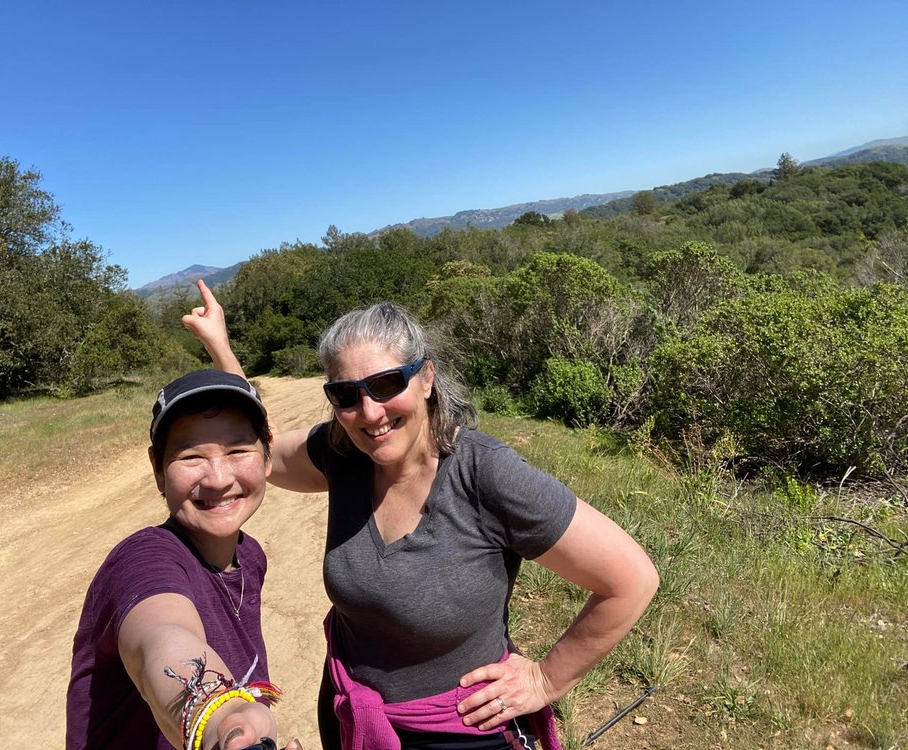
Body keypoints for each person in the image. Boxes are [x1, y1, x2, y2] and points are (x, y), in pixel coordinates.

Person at [184, 281, 660, 750]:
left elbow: (631, 579)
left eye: (387, 384)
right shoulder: (342, 452)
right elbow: (263, 451)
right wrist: (222, 351)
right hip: (353, 714)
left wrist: (544, 680)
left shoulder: (484, 474)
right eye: (346, 395)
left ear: (427, 378)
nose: (369, 412)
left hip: (460, 732)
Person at [66, 369, 301, 750]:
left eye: (238, 450)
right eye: (191, 456)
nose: (218, 478)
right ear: (158, 470)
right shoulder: (142, 560)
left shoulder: (249, 555)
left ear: (267, 455)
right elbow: (161, 636)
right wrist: (222, 717)